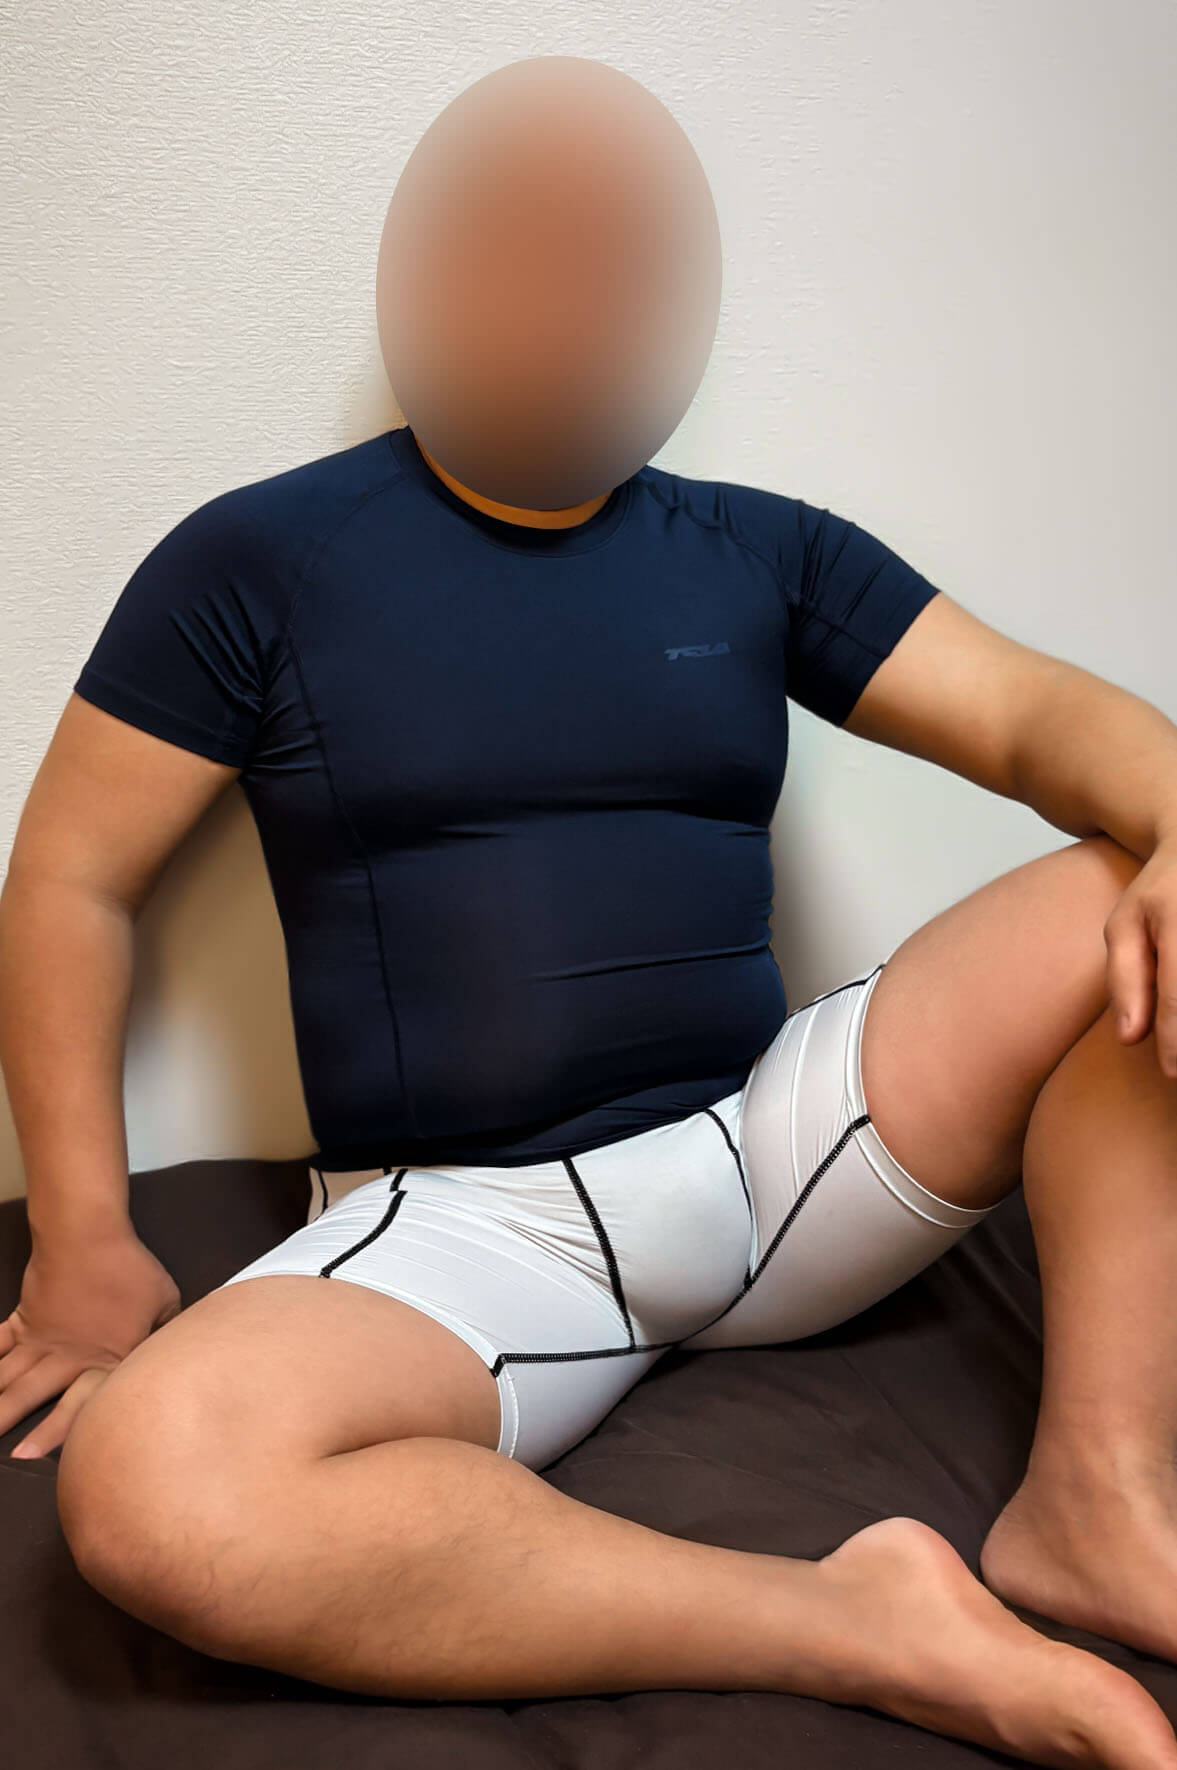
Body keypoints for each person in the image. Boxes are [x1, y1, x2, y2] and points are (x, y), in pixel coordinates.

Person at [3, 52, 1177, 1769]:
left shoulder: (762, 551)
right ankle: (850, 1620)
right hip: (472, 1232)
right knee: (155, 1484)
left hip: (771, 1157)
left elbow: (1026, 715)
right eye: (516, 246)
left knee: (1133, 893)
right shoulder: (257, 562)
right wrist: (85, 1236)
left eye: (616, 259)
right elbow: (72, 875)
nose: (566, 298)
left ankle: (1095, 1490)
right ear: (417, 269)